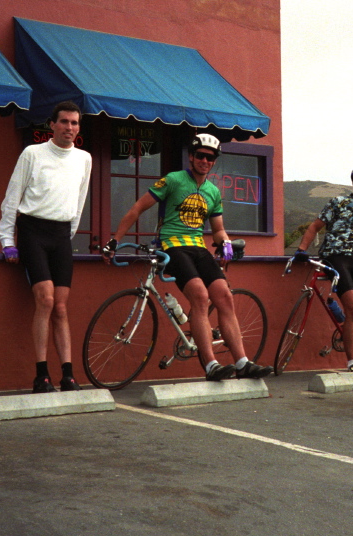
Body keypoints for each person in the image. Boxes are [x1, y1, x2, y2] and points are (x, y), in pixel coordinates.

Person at [101, 134, 272, 381]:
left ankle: (242, 363)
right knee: (201, 297)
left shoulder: (213, 191)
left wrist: (224, 244)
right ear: (191, 157)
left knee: (224, 297)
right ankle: (211, 366)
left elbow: (217, 229)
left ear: (214, 161)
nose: (204, 160)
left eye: (210, 157)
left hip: (198, 247)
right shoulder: (173, 180)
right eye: (200, 155)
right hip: (172, 246)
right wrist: (114, 241)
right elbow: (137, 208)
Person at [0, 101, 92, 393]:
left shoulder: (84, 158)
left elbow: (79, 201)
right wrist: (7, 241)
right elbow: (13, 196)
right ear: (51, 125)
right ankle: (41, 375)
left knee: (61, 308)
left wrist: (69, 234)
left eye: (74, 123)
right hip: (33, 231)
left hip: (61, 235)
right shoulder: (32, 153)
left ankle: (68, 374)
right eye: (64, 122)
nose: (69, 128)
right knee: (46, 301)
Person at [292, 165, 353, 372]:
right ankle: (351, 361)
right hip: (333, 257)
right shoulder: (338, 202)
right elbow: (314, 227)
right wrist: (301, 250)